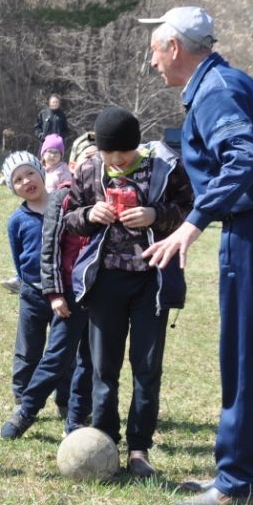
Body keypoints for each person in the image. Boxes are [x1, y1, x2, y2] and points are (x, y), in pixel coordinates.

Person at [139, 6, 253, 505]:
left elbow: (243, 156)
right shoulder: (230, 82)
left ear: (174, 48)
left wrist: (193, 223)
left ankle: (236, 481)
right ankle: (244, 472)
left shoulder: (215, 92)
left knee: (245, 356)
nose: (152, 63)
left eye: (154, 51)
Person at [60, 108, 193, 477]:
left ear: (137, 146)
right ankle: (103, 441)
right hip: (105, 282)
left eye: (125, 152)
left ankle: (139, 449)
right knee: (104, 367)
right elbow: (68, 217)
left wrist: (155, 215)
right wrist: (90, 215)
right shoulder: (89, 172)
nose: (118, 160)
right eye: (110, 153)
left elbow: (190, 209)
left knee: (147, 367)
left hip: (152, 281)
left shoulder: (165, 170)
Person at [0, 152, 74, 437]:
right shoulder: (17, 220)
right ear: (12, 187)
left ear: (42, 173)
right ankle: (22, 397)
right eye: (17, 179)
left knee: (63, 350)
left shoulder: (64, 208)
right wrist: (27, 282)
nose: (26, 181)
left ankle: (65, 400)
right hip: (32, 293)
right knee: (28, 350)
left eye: (29, 173)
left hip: (63, 294)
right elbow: (18, 257)